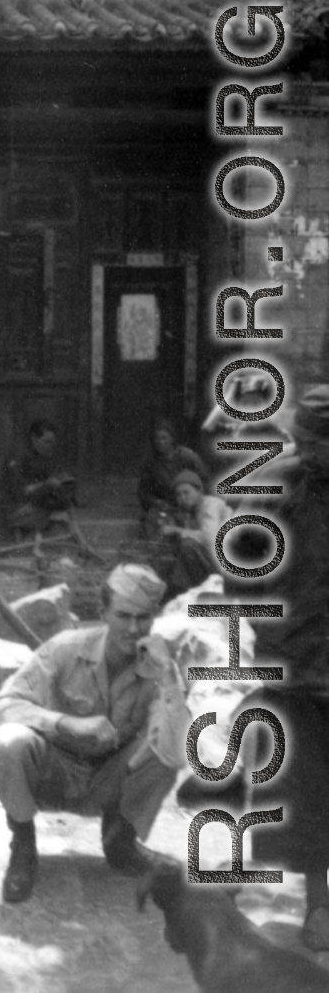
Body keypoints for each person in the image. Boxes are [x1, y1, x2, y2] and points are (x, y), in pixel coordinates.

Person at [0, 563, 189, 903]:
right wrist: (66, 723)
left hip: (110, 783)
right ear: (103, 614)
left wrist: (169, 675)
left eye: (143, 618)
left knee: (163, 747)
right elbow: (1, 706)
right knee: (10, 741)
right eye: (123, 616)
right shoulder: (65, 648)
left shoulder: (158, 667)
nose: (133, 628)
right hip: (54, 774)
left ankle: (120, 843)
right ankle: (23, 842)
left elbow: (177, 753)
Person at [234, 385, 329, 951]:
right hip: (297, 663)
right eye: (307, 442)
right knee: (309, 787)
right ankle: (318, 903)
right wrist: (274, 637)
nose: (311, 454)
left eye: (321, 444)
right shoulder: (278, 488)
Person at [0, 419, 77, 540]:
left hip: (31, 506)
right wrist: (47, 485)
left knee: (66, 505)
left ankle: (82, 544)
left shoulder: (42, 456)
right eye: (46, 442)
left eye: (52, 443)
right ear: (33, 438)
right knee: (63, 515)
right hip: (14, 511)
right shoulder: (18, 456)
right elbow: (18, 492)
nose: (50, 446)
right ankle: (83, 545)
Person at [158, 469, 233, 599]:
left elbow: (209, 537)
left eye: (186, 492)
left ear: (199, 491)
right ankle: (178, 592)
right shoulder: (192, 511)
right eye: (179, 494)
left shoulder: (211, 504)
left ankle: (201, 593)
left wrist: (177, 530)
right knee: (183, 545)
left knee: (188, 546)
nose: (182, 498)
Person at [137, 419, 207, 534]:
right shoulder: (151, 463)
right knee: (155, 523)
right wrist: (158, 502)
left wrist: (195, 501)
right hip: (166, 507)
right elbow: (143, 492)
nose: (160, 442)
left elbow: (204, 481)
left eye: (164, 438)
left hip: (189, 504)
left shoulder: (188, 457)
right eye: (157, 438)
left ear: (172, 439)